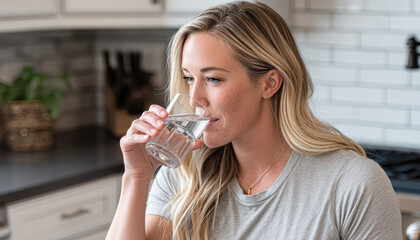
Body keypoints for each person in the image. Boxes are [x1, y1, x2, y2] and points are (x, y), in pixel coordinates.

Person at [106, 1, 402, 239]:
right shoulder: (184, 176)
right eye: (187, 78)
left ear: (270, 83)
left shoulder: (353, 184)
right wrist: (136, 177)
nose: (194, 98)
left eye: (212, 79)